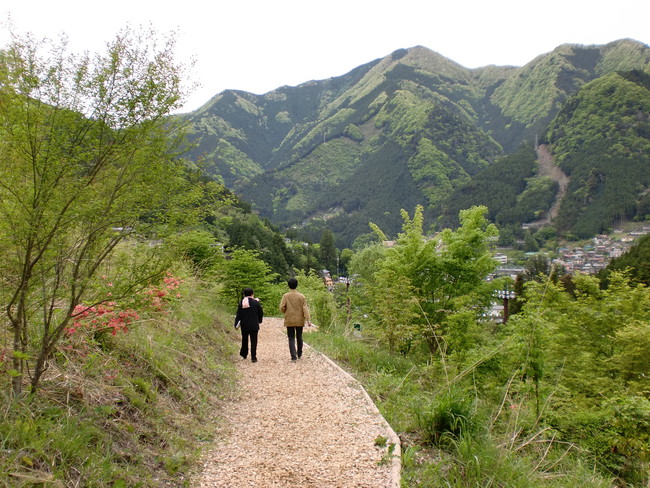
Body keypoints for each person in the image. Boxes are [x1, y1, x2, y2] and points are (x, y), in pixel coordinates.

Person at [279, 277, 311, 361]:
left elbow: (282, 307)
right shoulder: (301, 296)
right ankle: (299, 353)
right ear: (297, 285)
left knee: (291, 337)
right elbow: (305, 308)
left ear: (288, 285)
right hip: (299, 319)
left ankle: (293, 356)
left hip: (289, 319)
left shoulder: (286, 296)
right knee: (299, 336)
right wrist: (308, 319)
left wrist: (285, 311)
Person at [234, 288, 263, 362]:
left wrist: (236, 324)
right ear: (252, 294)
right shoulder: (256, 302)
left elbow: (238, 314)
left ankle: (244, 354)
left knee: (244, 340)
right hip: (254, 325)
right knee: (254, 341)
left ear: (244, 294)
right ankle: (253, 357)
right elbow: (260, 313)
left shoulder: (242, 303)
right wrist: (259, 321)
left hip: (244, 325)